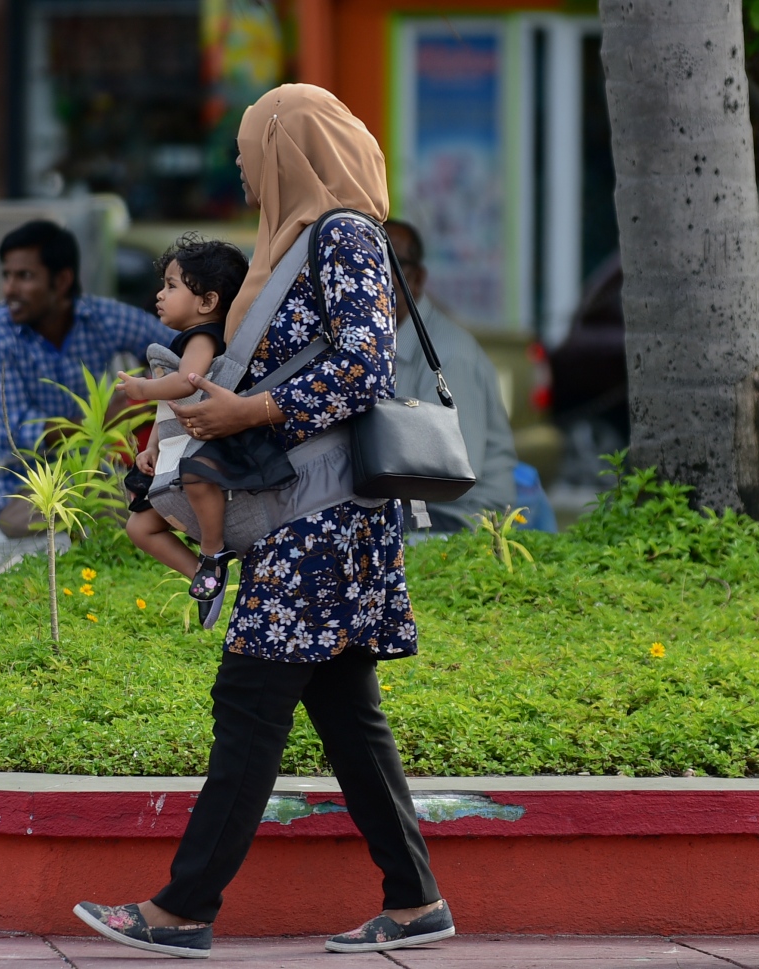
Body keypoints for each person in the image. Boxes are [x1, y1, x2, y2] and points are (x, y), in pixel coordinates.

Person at [72, 84, 453, 959]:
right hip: (309, 514)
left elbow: (365, 367)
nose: (242, 165)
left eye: (250, 146)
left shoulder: (344, 236)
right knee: (346, 712)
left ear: (289, 149)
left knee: (248, 701)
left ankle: (182, 908)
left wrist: (249, 414)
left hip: (321, 521)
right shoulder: (296, 245)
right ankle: (416, 899)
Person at [0, 220, 171, 537]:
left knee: (175, 490)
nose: (9, 289)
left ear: (61, 281)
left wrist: (149, 386)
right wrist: (103, 420)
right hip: (25, 490)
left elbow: (177, 346)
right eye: (7, 276)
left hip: (103, 473)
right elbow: (17, 431)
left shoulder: (98, 317)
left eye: (25, 276)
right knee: (140, 504)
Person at [119, 234, 270, 630]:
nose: (160, 295)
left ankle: (212, 551)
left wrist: (142, 388)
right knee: (139, 526)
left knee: (196, 474)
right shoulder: (183, 341)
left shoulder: (203, 338)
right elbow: (170, 408)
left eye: (172, 286)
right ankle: (206, 576)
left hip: (210, 445)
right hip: (183, 442)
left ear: (207, 302)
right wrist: (152, 446)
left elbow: (188, 384)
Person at [384, 218, 518, 531]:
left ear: (416, 279)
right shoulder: (379, 341)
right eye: (365, 260)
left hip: (466, 517)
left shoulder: (448, 356)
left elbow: (454, 473)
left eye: (388, 262)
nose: (371, 274)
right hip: (416, 507)